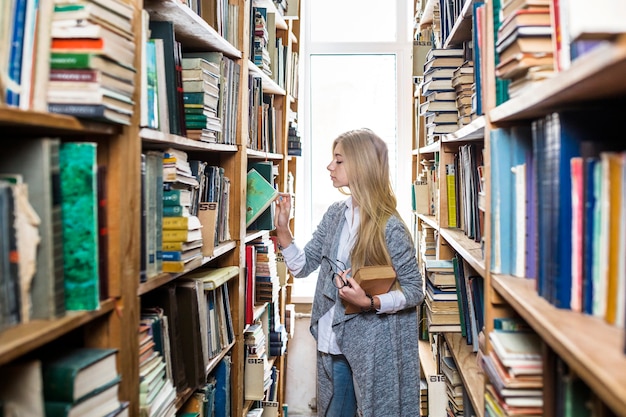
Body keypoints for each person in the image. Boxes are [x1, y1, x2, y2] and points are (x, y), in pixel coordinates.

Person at [274, 128, 424, 417]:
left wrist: (370, 303)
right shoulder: (335, 214)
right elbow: (302, 266)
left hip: (372, 349)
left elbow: (415, 290)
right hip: (334, 344)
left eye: (339, 160)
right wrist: (283, 228)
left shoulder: (390, 226)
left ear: (361, 165)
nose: (330, 166)